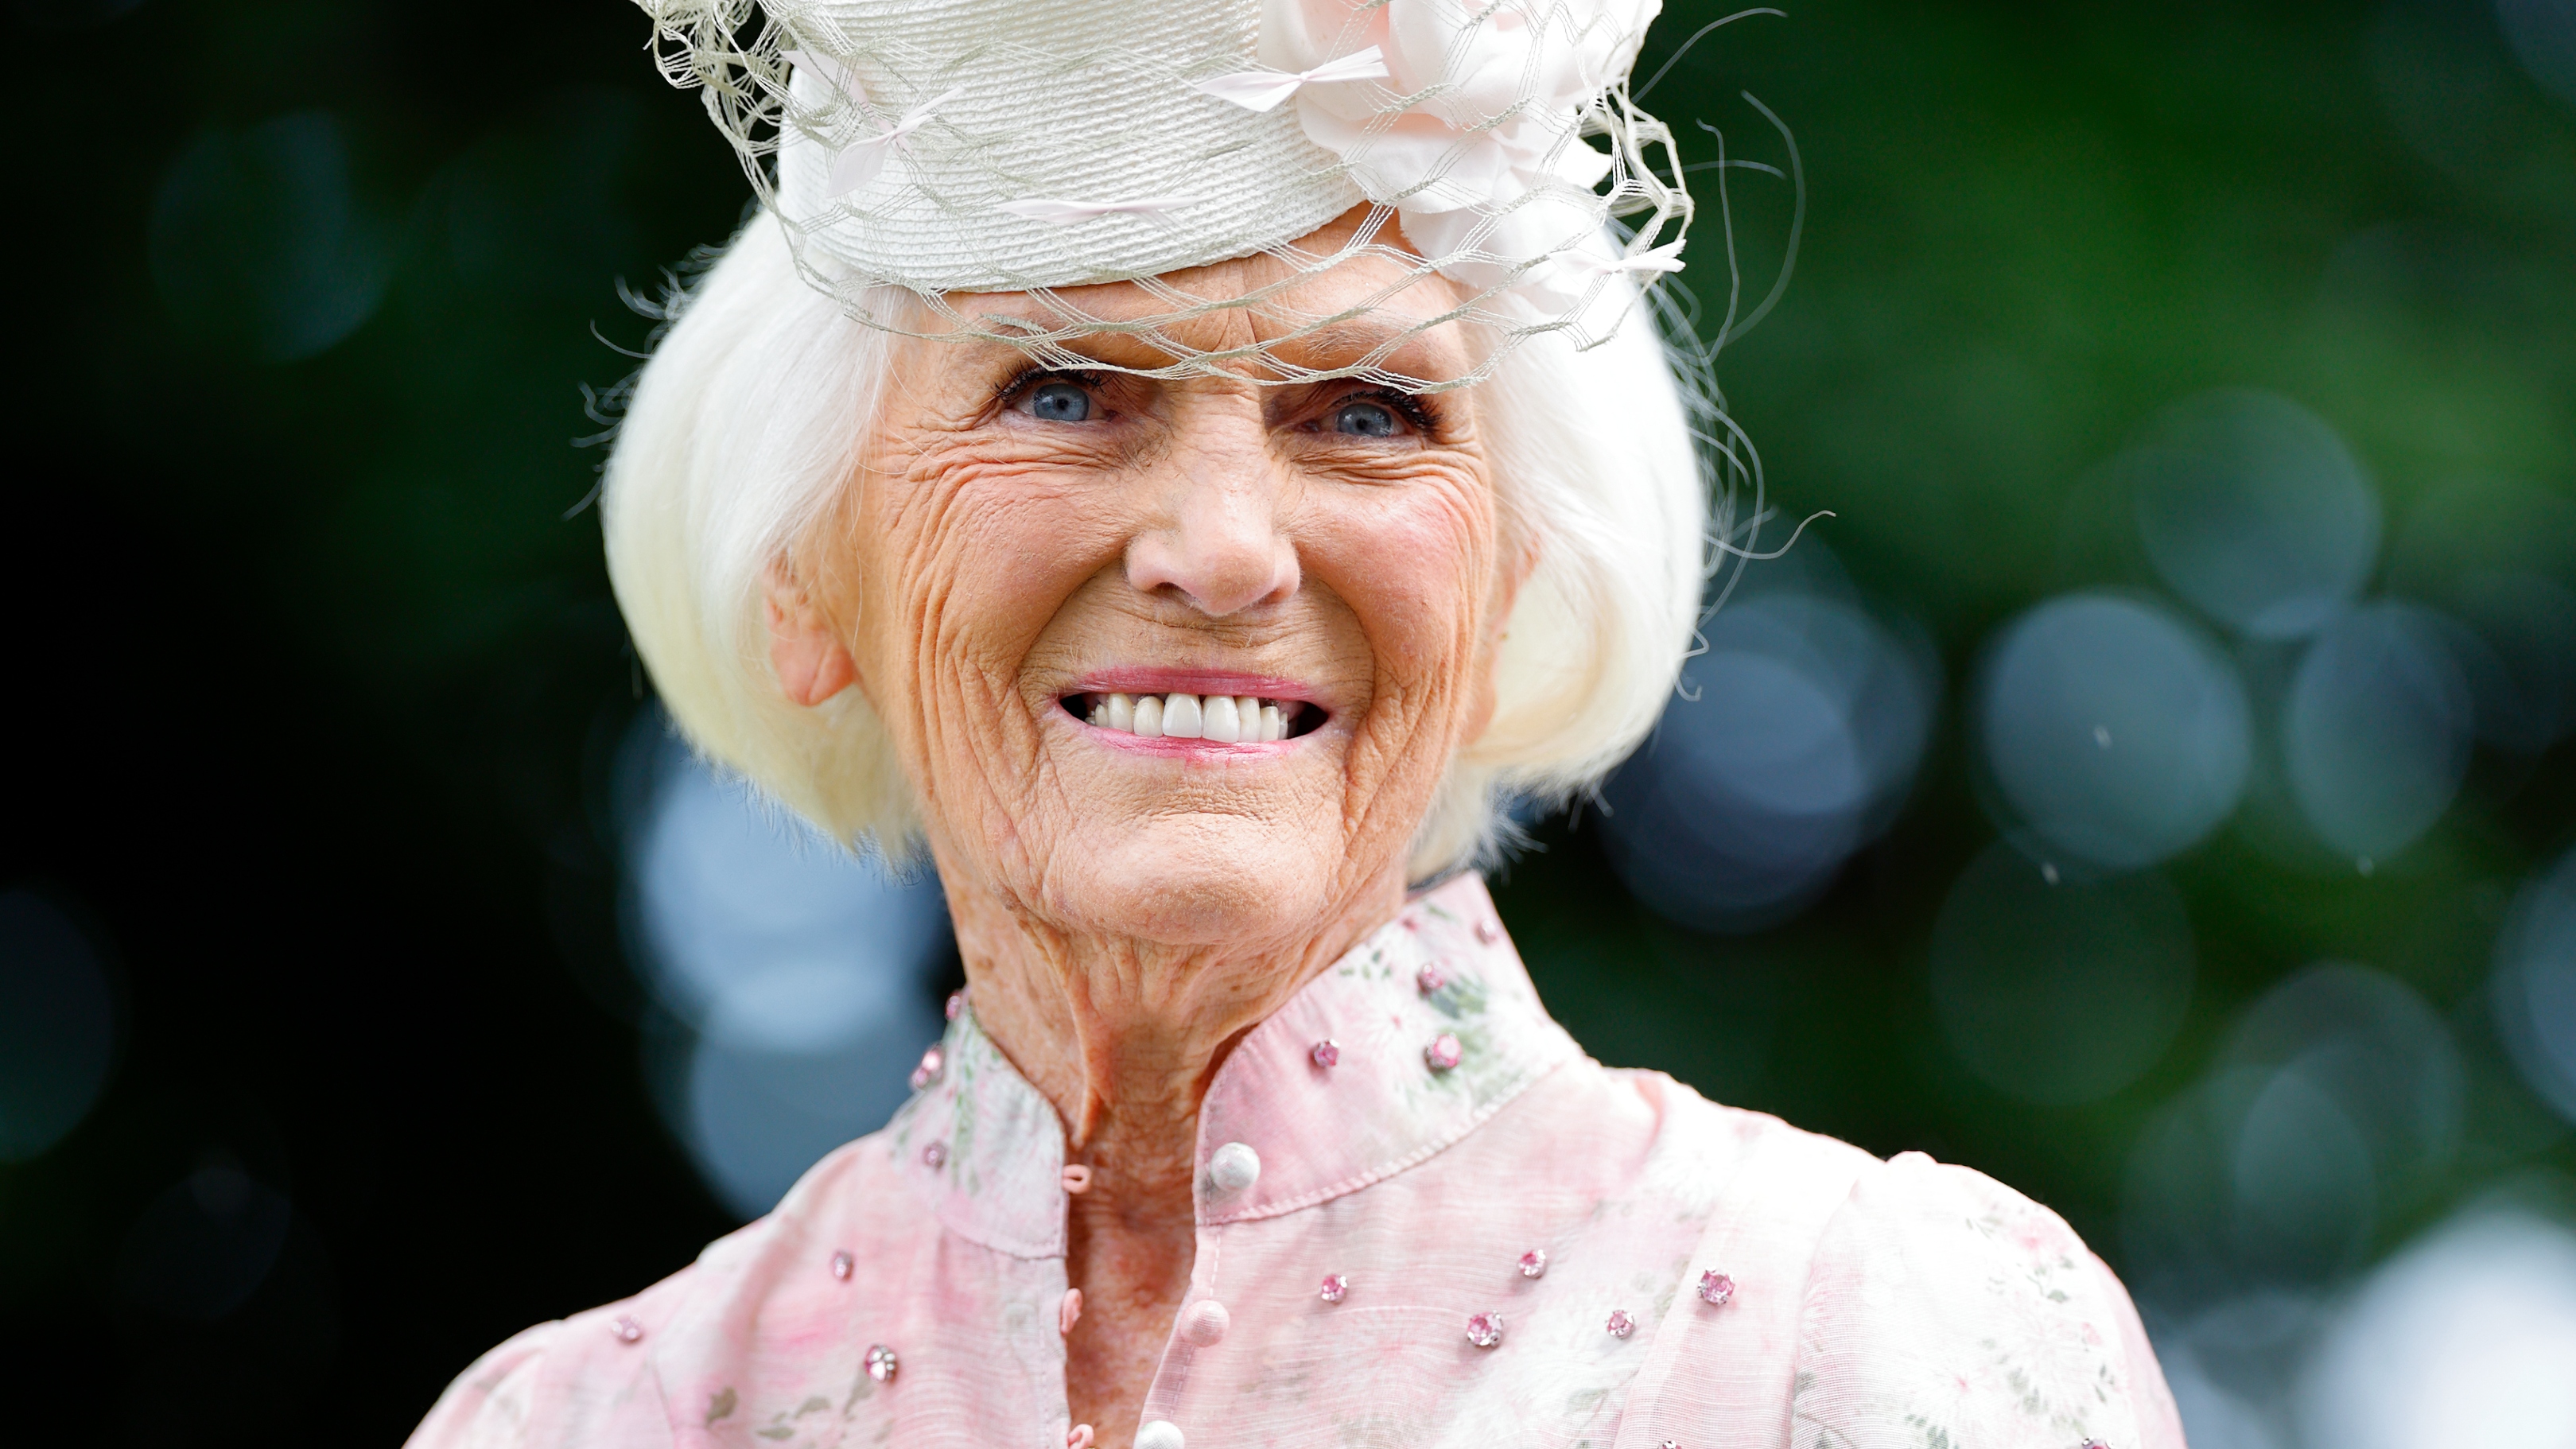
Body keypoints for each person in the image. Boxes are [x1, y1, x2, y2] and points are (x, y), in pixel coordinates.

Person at [410, 1, 2186, 1445]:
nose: (1223, 548)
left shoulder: (1872, 1330)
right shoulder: (591, 1420)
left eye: (1365, 410)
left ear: (1507, 587)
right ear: (805, 569)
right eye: (1063, 387)